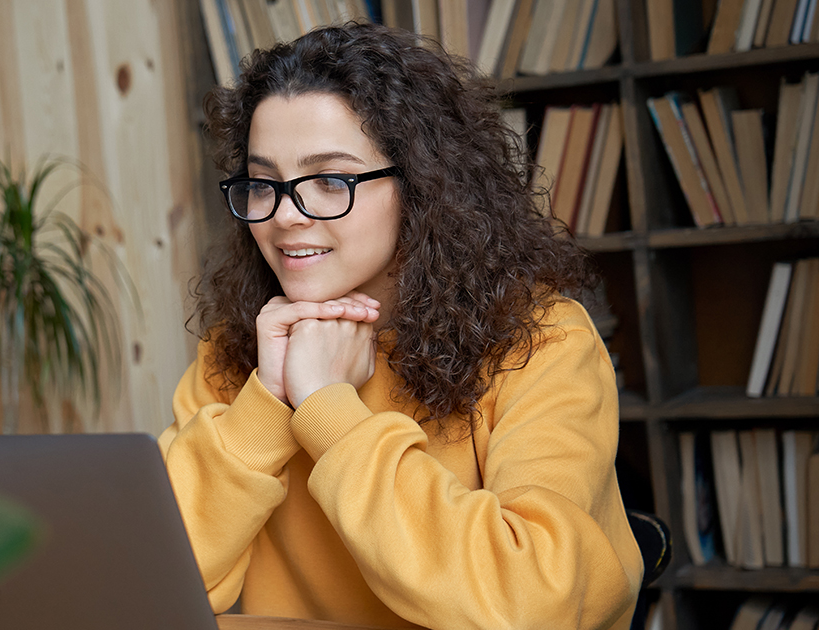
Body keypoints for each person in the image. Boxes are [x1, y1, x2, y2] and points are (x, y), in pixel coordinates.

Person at [157, 21, 643, 630]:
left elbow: (532, 603)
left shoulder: (542, 340)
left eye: (330, 180)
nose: (284, 216)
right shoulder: (238, 349)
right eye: (263, 184)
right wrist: (266, 404)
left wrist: (328, 408)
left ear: (420, 185)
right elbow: (145, 582)